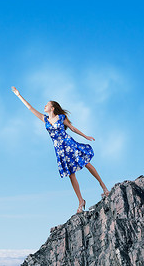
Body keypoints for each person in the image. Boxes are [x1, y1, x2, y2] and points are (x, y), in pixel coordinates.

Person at [11, 86, 110, 214]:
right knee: (71, 175)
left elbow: (72, 129)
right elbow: (30, 107)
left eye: (47, 105)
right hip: (60, 150)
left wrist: (86, 136)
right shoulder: (44, 119)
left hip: (69, 144)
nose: (44, 106)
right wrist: (19, 95)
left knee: (86, 163)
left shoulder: (61, 117)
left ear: (52, 108)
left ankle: (103, 186)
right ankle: (81, 200)